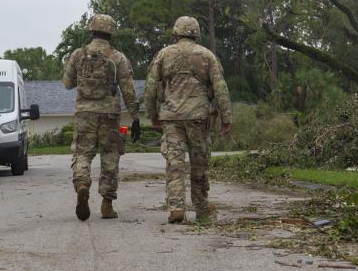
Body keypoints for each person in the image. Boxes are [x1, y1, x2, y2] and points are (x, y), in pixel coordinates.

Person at [144, 16, 232, 224]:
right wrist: (226, 117)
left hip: (172, 118)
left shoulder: (163, 55)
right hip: (199, 118)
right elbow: (220, 87)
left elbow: (150, 87)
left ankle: (176, 207)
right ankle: (201, 209)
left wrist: (152, 114)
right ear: (196, 33)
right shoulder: (207, 56)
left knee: (175, 163)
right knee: (199, 163)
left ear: (176, 32)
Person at [63, 14, 141, 221]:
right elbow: (128, 90)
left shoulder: (78, 55)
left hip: (84, 113)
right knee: (110, 156)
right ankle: (107, 205)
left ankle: (81, 183)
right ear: (111, 33)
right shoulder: (118, 58)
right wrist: (135, 117)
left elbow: (67, 83)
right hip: (109, 114)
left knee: (82, 153)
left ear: (91, 30)